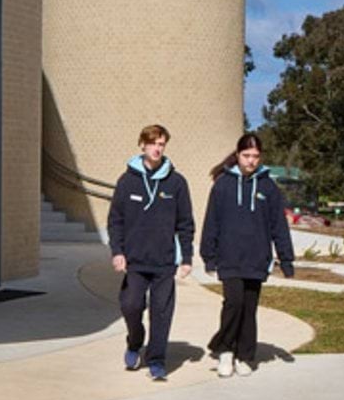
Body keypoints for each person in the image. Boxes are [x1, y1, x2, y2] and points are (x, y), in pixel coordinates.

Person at [200, 132, 294, 378]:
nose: (251, 160)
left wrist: (286, 259)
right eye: (246, 155)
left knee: (249, 308)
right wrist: (208, 256)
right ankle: (225, 351)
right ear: (238, 155)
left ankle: (244, 355)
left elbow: (278, 226)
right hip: (229, 257)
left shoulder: (268, 187)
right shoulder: (223, 184)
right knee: (234, 303)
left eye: (255, 156)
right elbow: (212, 222)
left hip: (257, 258)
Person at [107, 123, 195, 383]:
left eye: (161, 144)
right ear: (142, 145)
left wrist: (187, 257)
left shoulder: (177, 183)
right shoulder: (127, 181)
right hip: (134, 260)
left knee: (162, 313)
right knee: (131, 304)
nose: (157, 148)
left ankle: (156, 361)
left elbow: (185, 224)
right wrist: (117, 251)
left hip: (165, 261)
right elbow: (116, 220)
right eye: (153, 143)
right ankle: (135, 342)